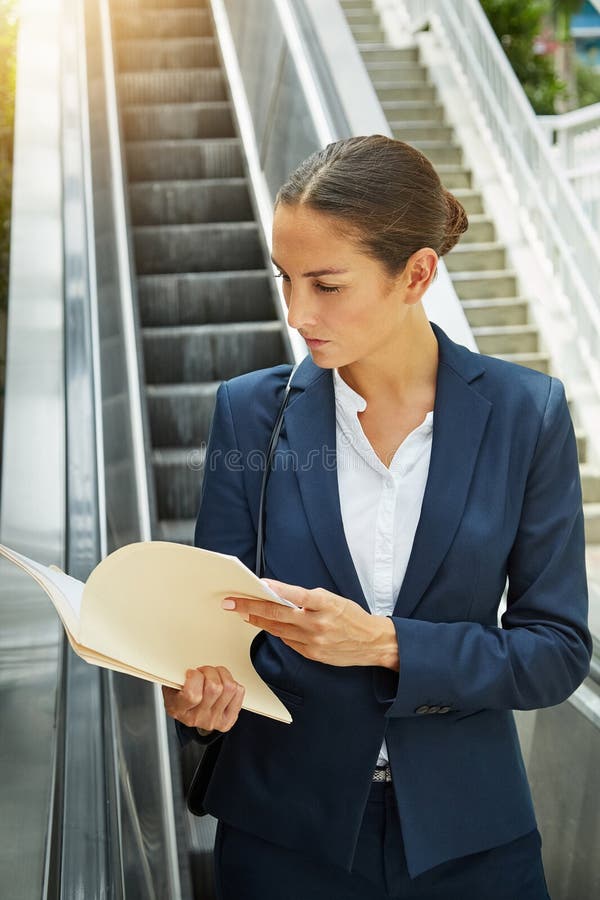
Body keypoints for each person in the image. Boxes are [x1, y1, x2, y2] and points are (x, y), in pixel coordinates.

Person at [162, 134, 592, 899]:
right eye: (286, 278)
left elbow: (555, 650)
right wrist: (199, 700)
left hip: (472, 841)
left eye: (326, 284)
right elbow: (217, 627)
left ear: (417, 273)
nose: (297, 312)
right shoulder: (249, 415)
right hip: (282, 839)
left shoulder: (527, 414)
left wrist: (389, 646)